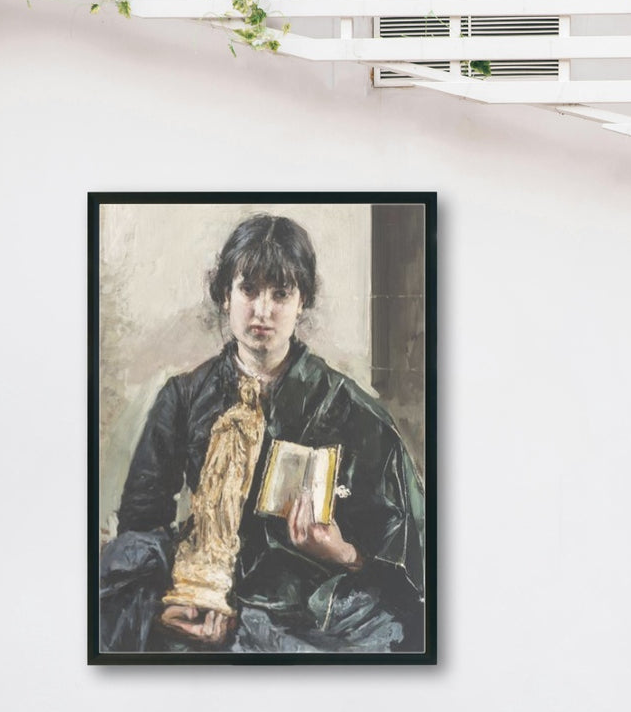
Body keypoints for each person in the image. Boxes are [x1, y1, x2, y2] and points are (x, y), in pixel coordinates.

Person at [99, 213, 426, 654]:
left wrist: (343, 552)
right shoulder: (183, 397)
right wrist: (184, 595)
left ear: (302, 301)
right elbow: (141, 522)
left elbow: (410, 543)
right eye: (248, 290)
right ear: (224, 296)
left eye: (281, 293)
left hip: (314, 605)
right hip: (206, 591)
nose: (262, 311)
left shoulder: (350, 410)